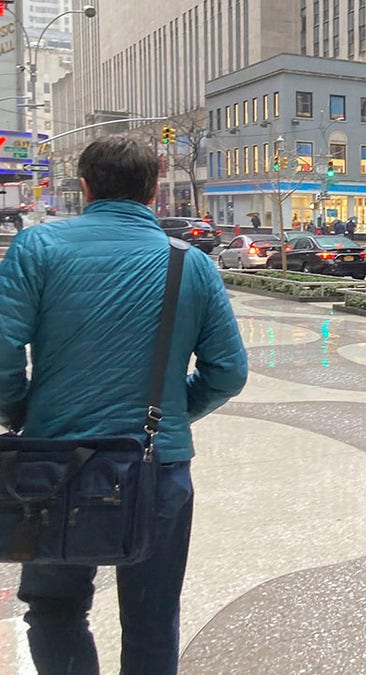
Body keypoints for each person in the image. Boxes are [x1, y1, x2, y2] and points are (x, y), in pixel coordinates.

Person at [0, 135, 248, 674]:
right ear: (154, 191)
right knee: (153, 619)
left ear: (84, 187)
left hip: (53, 463)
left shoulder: (38, 247)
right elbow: (228, 371)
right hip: (156, 465)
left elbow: (2, 348)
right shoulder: (190, 264)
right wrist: (171, 414)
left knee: (54, 607)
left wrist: (18, 411)